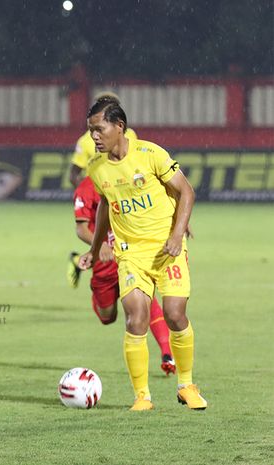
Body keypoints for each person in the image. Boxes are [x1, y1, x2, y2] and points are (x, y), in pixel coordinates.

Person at [78, 98, 207, 411]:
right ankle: (142, 397)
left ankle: (186, 385)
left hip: (167, 247)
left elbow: (185, 190)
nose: (94, 136)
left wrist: (178, 232)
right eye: (90, 130)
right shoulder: (96, 169)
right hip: (130, 253)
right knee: (136, 317)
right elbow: (107, 204)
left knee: (175, 314)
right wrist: (94, 250)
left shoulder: (150, 154)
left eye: (99, 129)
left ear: (119, 126)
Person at [73, 174, 176, 376]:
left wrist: (177, 221)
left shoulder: (132, 177)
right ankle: (79, 264)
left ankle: (167, 353)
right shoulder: (87, 186)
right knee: (107, 316)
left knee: (144, 301)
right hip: (105, 261)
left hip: (132, 254)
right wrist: (99, 245)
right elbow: (81, 228)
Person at [66, 93, 137, 288]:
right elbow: (73, 174)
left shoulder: (129, 135)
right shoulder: (86, 141)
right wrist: (90, 194)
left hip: (125, 202)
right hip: (102, 202)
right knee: (104, 250)